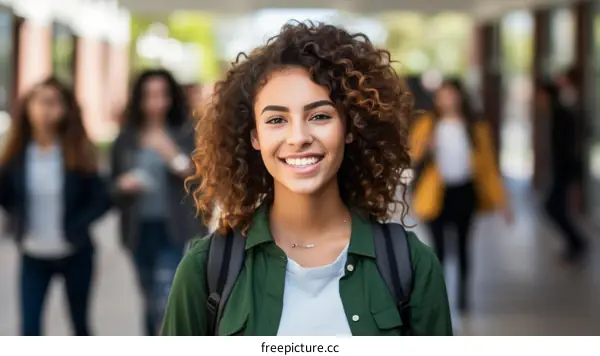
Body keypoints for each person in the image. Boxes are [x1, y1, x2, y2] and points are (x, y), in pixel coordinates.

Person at [161, 21, 452, 336]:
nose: (298, 137)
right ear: (255, 137)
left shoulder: (410, 266)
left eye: (320, 116)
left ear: (351, 127)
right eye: (276, 120)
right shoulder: (206, 271)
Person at [0, 77, 111, 335]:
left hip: (75, 253)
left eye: (54, 103)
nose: (46, 110)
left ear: (65, 109)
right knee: (29, 330)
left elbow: (101, 200)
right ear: (27, 108)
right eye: (40, 102)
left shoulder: (77, 151)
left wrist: (76, 225)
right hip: (33, 254)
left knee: (80, 326)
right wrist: (18, 220)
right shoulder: (17, 154)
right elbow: (6, 196)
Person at [109, 69, 207, 336]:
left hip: (172, 230)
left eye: (162, 94)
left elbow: (197, 177)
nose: (156, 102)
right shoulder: (127, 137)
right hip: (138, 231)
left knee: (165, 299)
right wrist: (122, 184)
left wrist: (169, 152)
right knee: (149, 299)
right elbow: (111, 186)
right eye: (149, 95)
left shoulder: (185, 132)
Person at [409, 78, 511, 313]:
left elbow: (488, 169)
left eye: (451, 94)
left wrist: (503, 202)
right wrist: (426, 146)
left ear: (460, 96)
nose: (447, 100)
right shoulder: (427, 124)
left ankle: (463, 297)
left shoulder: (476, 128)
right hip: (436, 194)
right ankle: (439, 296)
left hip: (465, 192)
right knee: (439, 250)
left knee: (464, 246)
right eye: (443, 95)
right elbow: (412, 155)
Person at [535, 79, 588, 263]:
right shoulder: (556, 114)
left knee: (552, 207)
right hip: (562, 171)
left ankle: (578, 242)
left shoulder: (561, 115)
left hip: (565, 171)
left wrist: (574, 177)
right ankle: (575, 243)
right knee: (556, 208)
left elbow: (568, 148)